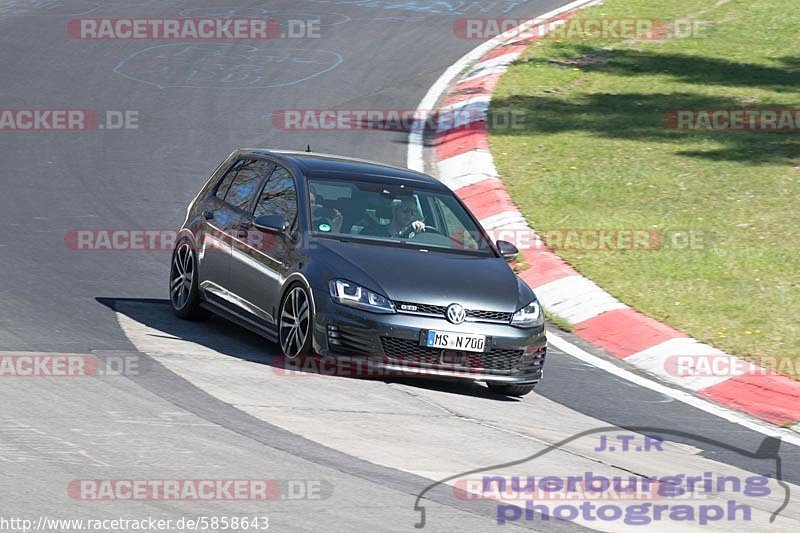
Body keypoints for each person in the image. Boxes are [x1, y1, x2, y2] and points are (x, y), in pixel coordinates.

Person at [361, 196, 425, 238]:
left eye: (414, 212)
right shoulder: (372, 233)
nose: (410, 215)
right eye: (405, 210)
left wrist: (420, 233)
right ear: (394, 210)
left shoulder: (416, 236)